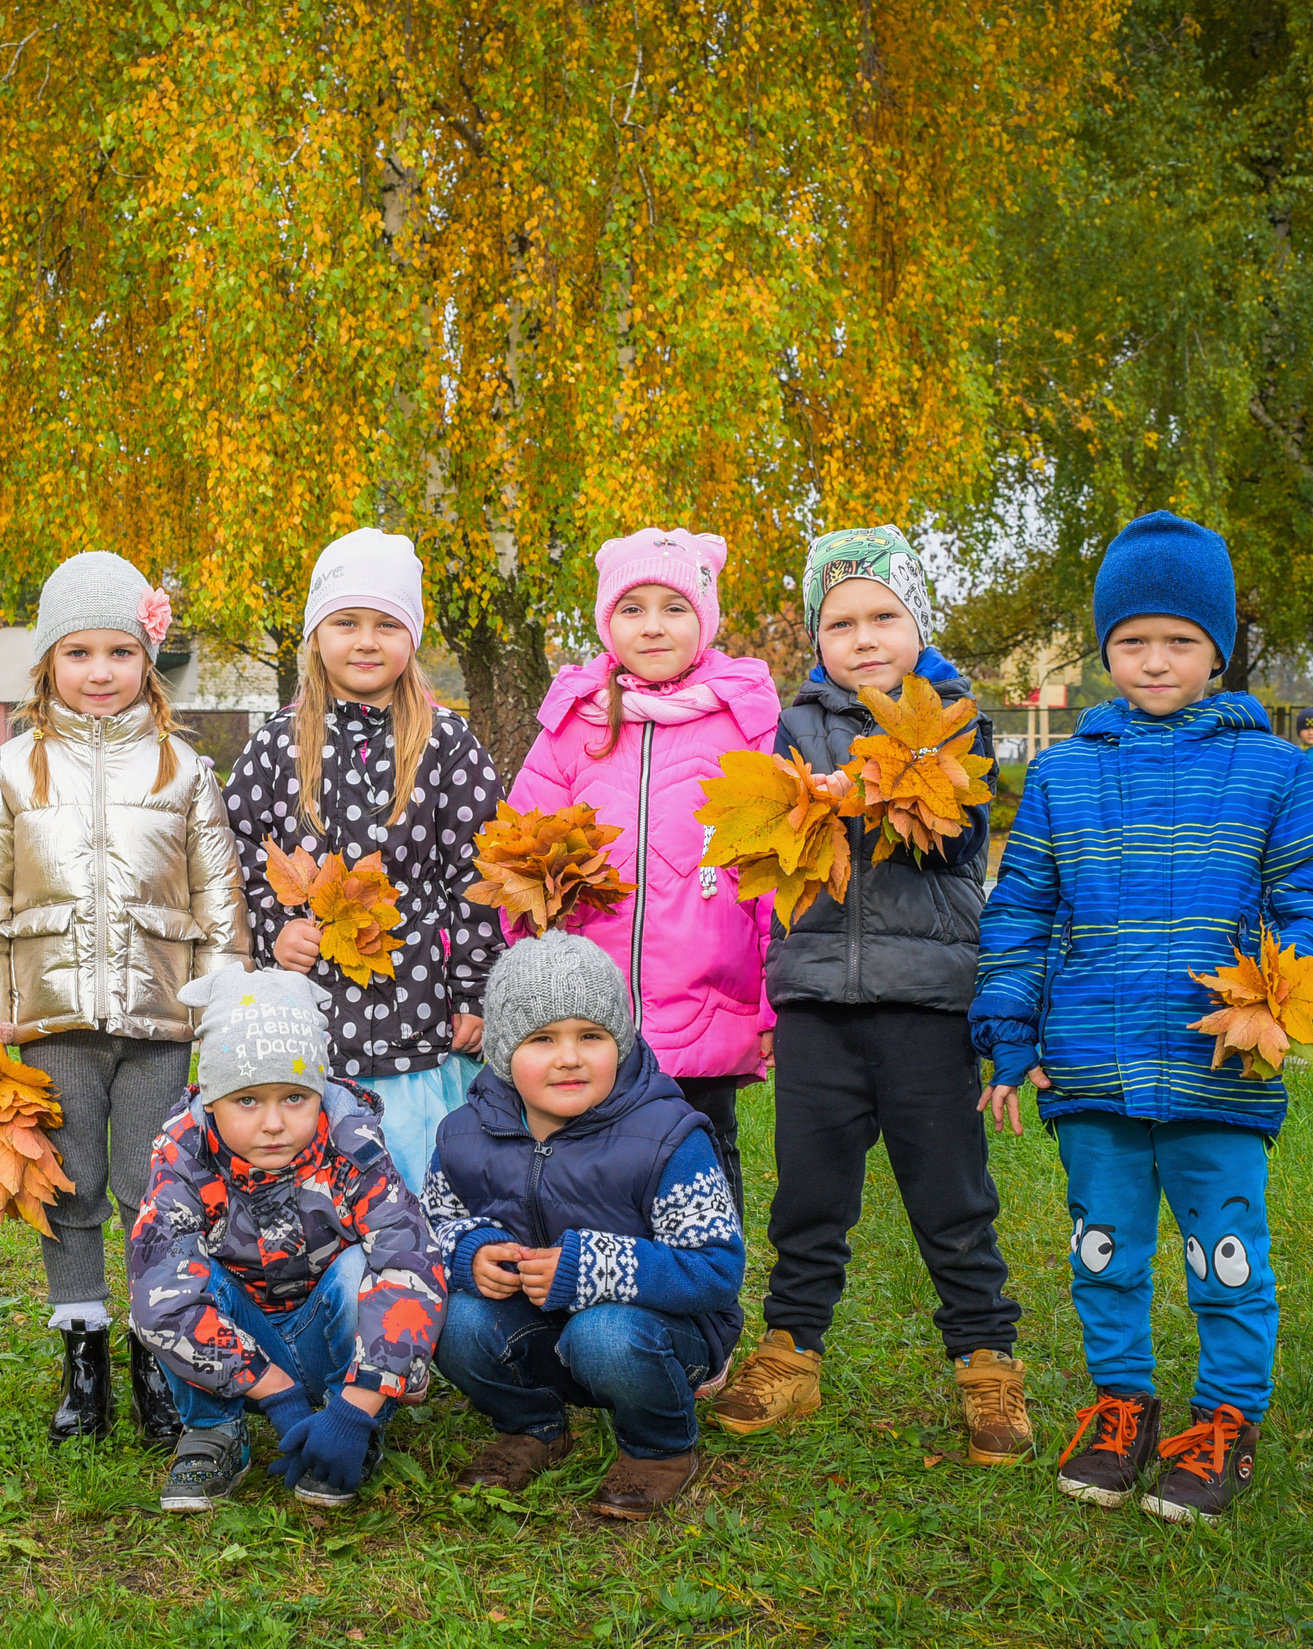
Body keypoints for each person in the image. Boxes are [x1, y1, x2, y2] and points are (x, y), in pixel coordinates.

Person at [974, 510, 1313, 1523]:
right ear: (1105, 648)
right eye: (1132, 639)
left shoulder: (1274, 771)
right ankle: (1122, 1406)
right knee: (1103, 1248)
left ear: (1216, 650)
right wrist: (1009, 1036)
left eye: (1180, 640)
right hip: (1090, 1064)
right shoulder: (1063, 773)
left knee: (1223, 1252)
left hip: (1217, 1066)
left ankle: (1225, 1420)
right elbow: (1020, 912)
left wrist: (1287, 980)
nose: (1154, 660)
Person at [709, 527, 1032, 1469]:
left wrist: (873, 785)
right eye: (841, 622)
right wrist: (804, 804)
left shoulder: (955, 718)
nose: (863, 638)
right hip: (817, 995)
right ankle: (791, 1349)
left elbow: (957, 835)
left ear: (917, 624)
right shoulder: (795, 725)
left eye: (883, 616)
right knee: (808, 1191)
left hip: (925, 1000)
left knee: (950, 1193)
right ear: (818, 638)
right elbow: (773, 848)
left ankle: (985, 1360)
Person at [0, 551, 251, 1446]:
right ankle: (82, 1354)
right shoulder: (11, 771)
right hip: (53, 1020)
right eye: (78, 652)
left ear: (146, 660)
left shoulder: (183, 771)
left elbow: (220, 900)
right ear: (48, 662)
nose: (99, 671)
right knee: (70, 1182)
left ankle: (157, 1348)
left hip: (162, 1018)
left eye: (119, 651)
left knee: (150, 1189)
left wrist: (224, 1010)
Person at [501, 528, 780, 1218]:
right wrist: (531, 954)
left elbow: (775, 879)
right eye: (632, 608)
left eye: (674, 607)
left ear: (704, 619)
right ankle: (597, 1275)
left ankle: (707, 1279)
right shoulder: (573, 725)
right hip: (588, 1007)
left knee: (700, 1154)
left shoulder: (746, 722)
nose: (653, 626)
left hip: (707, 1001)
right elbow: (520, 858)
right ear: (607, 622)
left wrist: (774, 1002)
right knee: (588, 1163)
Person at [422, 932, 744, 1520]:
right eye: (542, 1039)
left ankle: (658, 1447)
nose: (569, 1057)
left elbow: (716, 1268)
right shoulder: (463, 1135)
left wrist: (594, 1268)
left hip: (656, 1335)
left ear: (620, 1042)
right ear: (502, 1051)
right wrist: (468, 1252)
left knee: (606, 1334)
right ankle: (532, 1427)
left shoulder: (667, 1136)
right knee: (455, 1319)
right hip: (534, 1325)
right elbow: (430, 1225)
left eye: (591, 1036)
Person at [226, 527, 505, 1191]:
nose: (366, 641)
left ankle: (419, 1253)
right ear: (316, 634)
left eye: (387, 624)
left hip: (417, 1010)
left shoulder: (446, 744)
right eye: (346, 622)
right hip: (309, 1014)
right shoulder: (277, 745)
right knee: (316, 1184)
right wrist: (272, 930)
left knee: (416, 1173)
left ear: (411, 636)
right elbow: (236, 854)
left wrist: (473, 989)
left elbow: (479, 876)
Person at [127, 968, 445, 1512]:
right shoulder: (182, 1154)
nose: (273, 1123)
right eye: (247, 1100)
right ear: (212, 1099)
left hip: (330, 1340)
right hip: (238, 1342)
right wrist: (279, 1396)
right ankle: (213, 1428)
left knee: (363, 1267)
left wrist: (354, 1409)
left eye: (295, 1097)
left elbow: (411, 1264)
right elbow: (162, 1298)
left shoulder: (352, 1145)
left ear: (319, 1092)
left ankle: (353, 1422)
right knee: (178, 1279)